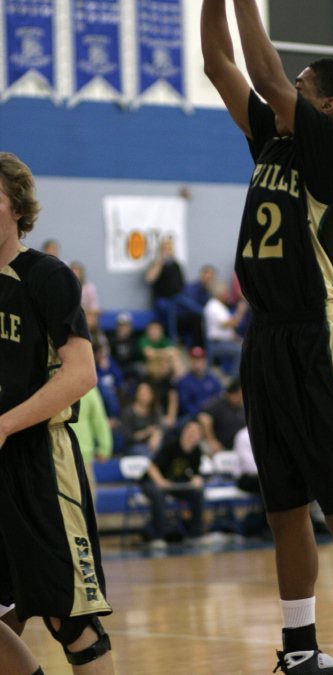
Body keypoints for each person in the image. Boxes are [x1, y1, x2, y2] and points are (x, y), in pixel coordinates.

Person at [201, 5, 333, 675]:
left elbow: (261, 69)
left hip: (318, 338)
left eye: (303, 84)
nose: (288, 86)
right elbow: (220, 68)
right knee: (283, 506)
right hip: (266, 340)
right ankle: (300, 651)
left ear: (327, 105)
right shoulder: (273, 142)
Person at [0, 152, 114, 672]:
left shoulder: (45, 276)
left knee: (71, 622)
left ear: (17, 208)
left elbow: (80, 374)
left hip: (40, 463)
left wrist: (5, 424)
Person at [138, 419, 207, 547]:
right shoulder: (171, 446)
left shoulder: (196, 451)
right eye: (191, 430)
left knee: (198, 493)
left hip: (173, 483)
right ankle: (157, 537)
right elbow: (151, 466)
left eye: (197, 432)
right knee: (158, 494)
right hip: (153, 481)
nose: (193, 434)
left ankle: (195, 534)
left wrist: (197, 479)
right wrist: (160, 481)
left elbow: (195, 473)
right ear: (184, 432)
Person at [197, 377, 246, 454]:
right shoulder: (217, 403)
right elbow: (204, 418)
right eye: (240, 396)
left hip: (237, 447)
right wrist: (211, 440)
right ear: (233, 394)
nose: (241, 399)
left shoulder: (241, 408)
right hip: (219, 446)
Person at [175, 346, 223, 423]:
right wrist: (198, 414)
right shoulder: (184, 381)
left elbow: (219, 396)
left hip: (212, 414)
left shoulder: (212, 378)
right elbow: (185, 404)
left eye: (200, 359)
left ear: (205, 361)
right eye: (195, 360)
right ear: (190, 361)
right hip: (192, 416)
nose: (198, 363)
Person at [121, 380, 164, 457]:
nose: (144, 396)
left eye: (146, 393)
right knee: (147, 453)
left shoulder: (155, 409)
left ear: (152, 395)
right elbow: (128, 437)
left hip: (151, 442)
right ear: (136, 394)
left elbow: (160, 427)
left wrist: (156, 435)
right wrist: (146, 432)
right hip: (134, 445)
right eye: (141, 393)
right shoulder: (128, 412)